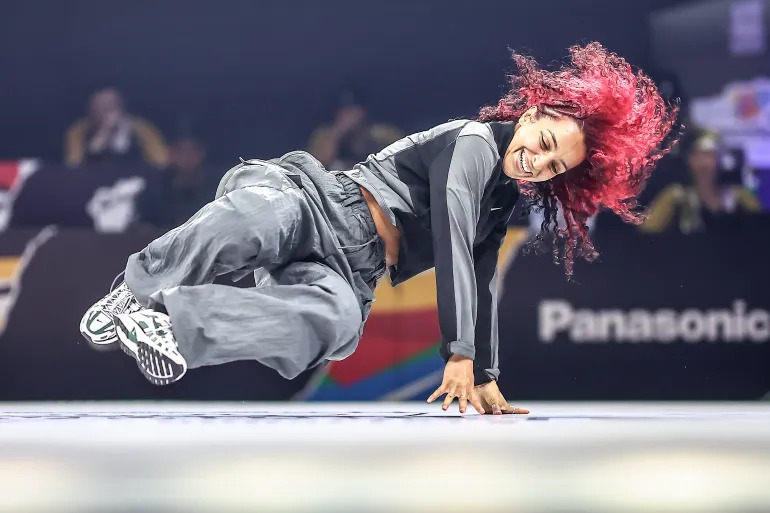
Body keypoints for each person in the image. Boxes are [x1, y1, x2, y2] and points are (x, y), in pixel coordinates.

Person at [79, 43, 679, 415]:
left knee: (338, 325)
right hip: (315, 200)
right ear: (532, 113)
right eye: (543, 144)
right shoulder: (472, 143)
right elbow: (449, 238)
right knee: (256, 218)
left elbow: (480, 276)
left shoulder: (503, 199)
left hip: (351, 269)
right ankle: (135, 290)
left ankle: (169, 330)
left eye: (554, 167)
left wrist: (488, 375)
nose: (537, 163)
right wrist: (459, 354)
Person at [640, 130, 760, 234]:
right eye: (700, 155)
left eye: (710, 155)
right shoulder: (675, 198)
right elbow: (647, 234)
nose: (705, 162)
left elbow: (762, 231)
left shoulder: (739, 198)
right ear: (690, 160)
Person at [65, 87, 168, 168]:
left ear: (121, 107)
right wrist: (102, 135)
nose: (107, 111)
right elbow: (74, 167)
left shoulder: (141, 129)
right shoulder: (79, 131)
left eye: (111, 105)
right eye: (101, 107)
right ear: (91, 111)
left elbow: (160, 163)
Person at [308, 89, 404, 170]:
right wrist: (339, 130)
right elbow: (314, 167)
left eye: (354, 110)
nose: (350, 116)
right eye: (345, 111)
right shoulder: (325, 136)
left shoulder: (383, 134)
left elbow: (405, 158)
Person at [138, 136, 220, 228]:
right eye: (180, 151)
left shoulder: (216, 187)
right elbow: (145, 220)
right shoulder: (156, 185)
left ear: (202, 153)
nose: (186, 157)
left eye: (191, 151)